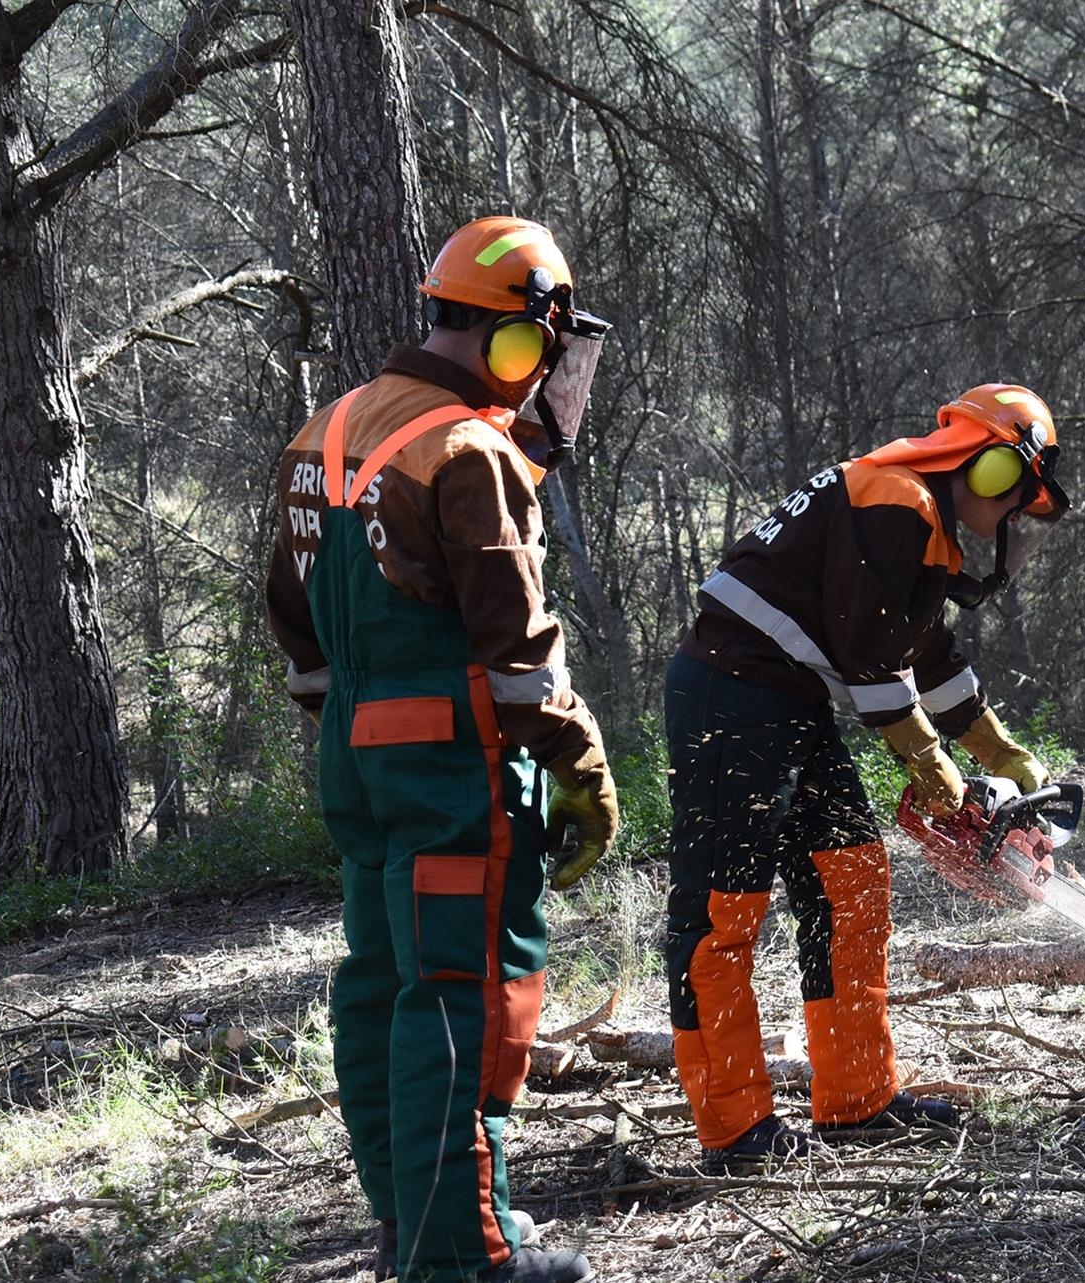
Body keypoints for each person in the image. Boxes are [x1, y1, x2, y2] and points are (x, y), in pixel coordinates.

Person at [266, 216, 617, 1283]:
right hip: (455, 764)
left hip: (357, 767)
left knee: (381, 985)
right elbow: (519, 663)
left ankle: (407, 1227)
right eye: (543, 352)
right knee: (463, 995)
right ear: (522, 335)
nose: (544, 376)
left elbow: (298, 628)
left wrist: (361, 732)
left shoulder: (323, 435)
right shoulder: (468, 449)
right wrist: (585, 772)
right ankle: (462, 1254)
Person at [664, 383, 1071, 1169]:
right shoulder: (895, 498)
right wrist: (926, 757)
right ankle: (733, 1126)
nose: (1017, 519)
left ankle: (858, 1096)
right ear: (991, 468)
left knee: (851, 877)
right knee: (724, 911)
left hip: (786, 697)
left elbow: (925, 653)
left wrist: (1001, 753)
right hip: (730, 689)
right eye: (1021, 495)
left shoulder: (918, 522)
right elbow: (867, 658)